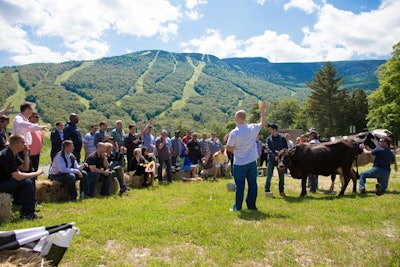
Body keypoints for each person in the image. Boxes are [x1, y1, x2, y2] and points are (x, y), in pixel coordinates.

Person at [226, 100, 266, 211]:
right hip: (252, 162)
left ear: (238, 118)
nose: (234, 119)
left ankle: (238, 207)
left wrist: (235, 151)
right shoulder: (252, 128)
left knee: (240, 187)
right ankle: (252, 206)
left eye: (235, 117)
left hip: (239, 163)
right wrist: (262, 110)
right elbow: (262, 124)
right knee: (253, 185)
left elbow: (229, 147)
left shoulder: (234, 132)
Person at [0, 134, 44, 219]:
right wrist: (37, 173)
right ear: (17, 143)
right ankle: (27, 213)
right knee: (26, 182)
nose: (25, 144)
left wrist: (26, 154)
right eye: (23, 142)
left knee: (28, 180)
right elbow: (18, 176)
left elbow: (25, 168)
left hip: (6, 181)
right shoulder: (6, 155)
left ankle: (28, 208)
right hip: (2, 184)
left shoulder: (13, 153)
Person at [264, 122, 288, 198]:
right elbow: (268, 148)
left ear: (275, 129)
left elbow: (285, 148)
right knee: (269, 176)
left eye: (270, 129)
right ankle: (267, 190)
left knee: (281, 176)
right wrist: (274, 156)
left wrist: (280, 154)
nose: (269, 131)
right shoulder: (268, 139)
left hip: (280, 161)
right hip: (271, 159)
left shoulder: (282, 138)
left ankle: (281, 191)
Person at [307, 128, 320, 193]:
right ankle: (315, 186)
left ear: (312, 135)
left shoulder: (312, 143)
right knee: (315, 174)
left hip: (312, 160)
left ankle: (312, 187)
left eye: (310, 135)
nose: (309, 136)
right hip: (318, 160)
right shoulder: (318, 142)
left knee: (311, 174)